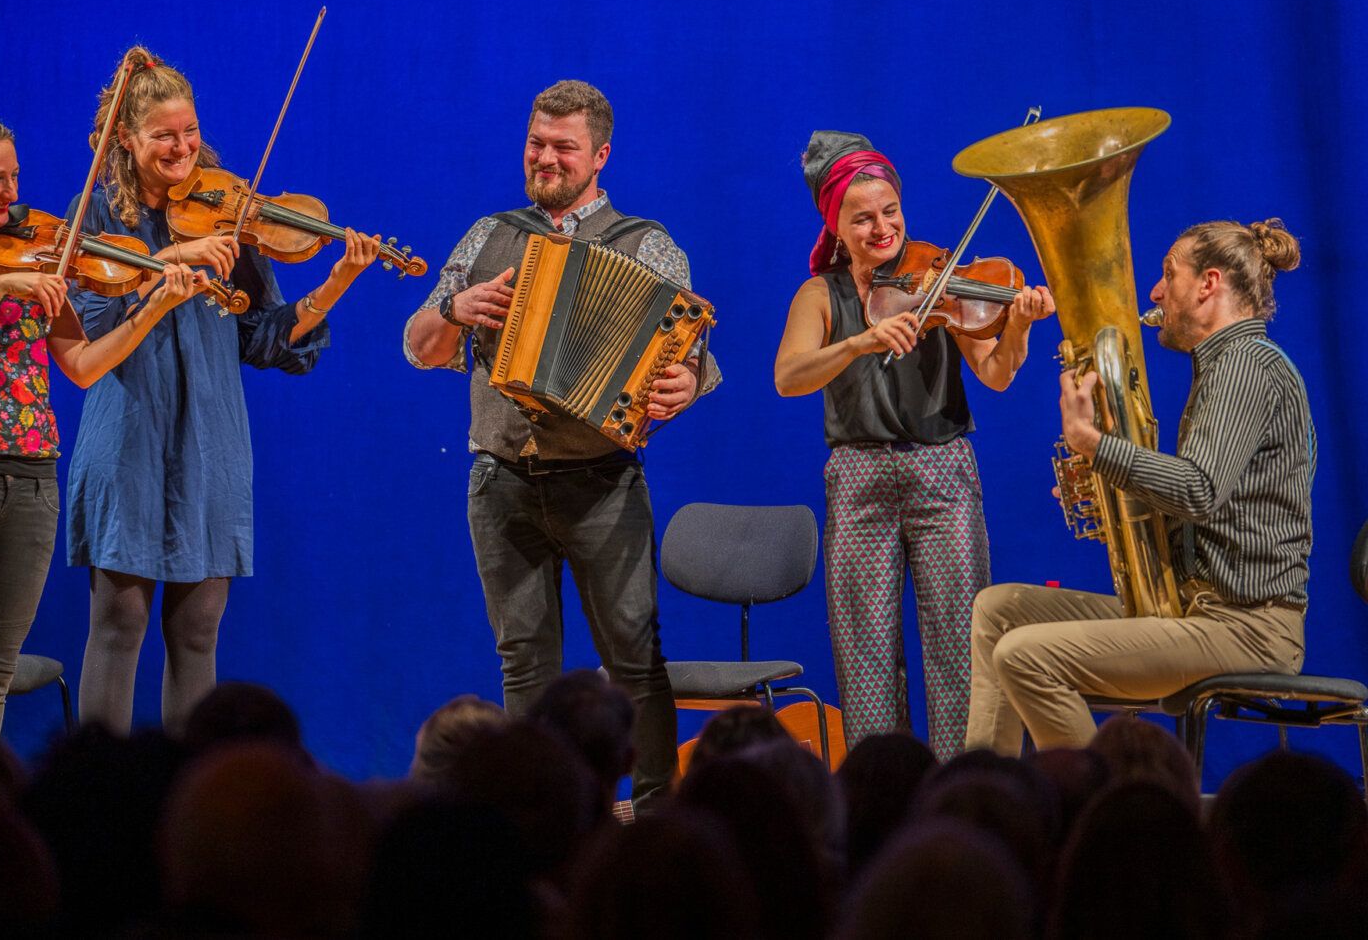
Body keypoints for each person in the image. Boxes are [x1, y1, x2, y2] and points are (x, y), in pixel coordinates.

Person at [404, 79, 718, 807]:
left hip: (601, 480)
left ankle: (654, 813)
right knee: (524, 664)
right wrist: (454, 307)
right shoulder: (489, 236)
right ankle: (535, 813)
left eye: (562, 147)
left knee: (634, 660)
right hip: (501, 480)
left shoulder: (647, 245)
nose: (544, 158)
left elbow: (689, 352)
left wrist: (685, 384)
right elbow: (417, 345)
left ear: (600, 155)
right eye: (535, 143)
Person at [65, 46, 383, 736]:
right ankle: (98, 801)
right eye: (163, 136)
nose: (183, 148)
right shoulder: (97, 215)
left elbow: (264, 338)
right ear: (127, 138)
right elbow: (90, 327)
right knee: (119, 624)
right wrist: (167, 262)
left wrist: (333, 284)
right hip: (128, 431)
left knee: (199, 631)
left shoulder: (228, 215)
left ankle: (187, 805)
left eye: (190, 133)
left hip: (210, 439)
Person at [0, 111, 200, 761]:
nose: (11, 194)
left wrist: (154, 306)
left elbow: (82, 365)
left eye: (14, 176)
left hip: (30, 479)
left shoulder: (35, 259)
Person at [967, 218, 1313, 753]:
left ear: (1209, 284)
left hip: (1246, 628)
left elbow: (1199, 490)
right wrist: (1106, 490)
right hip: (1199, 612)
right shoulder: (1223, 366)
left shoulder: (1247, 365)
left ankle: (1102, 822)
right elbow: (1215, 509)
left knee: (1025, 655)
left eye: (1167, 274)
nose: (1154, 292)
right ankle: (985, 803)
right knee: (998, 609)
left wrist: (1096, 446)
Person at [774, 130, 1054, 759]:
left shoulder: (942, 280)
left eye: (891, 211)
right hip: (858, 480)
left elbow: (998, 375)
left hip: (944, 474)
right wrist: (860, 343)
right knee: (866, 659)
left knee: (960, 653)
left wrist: (1020, 327)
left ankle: (961, 799)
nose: (882, 227)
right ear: (837, 228)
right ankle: (885, 808)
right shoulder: (821, 294)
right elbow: (788, 377)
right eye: (863, 217)